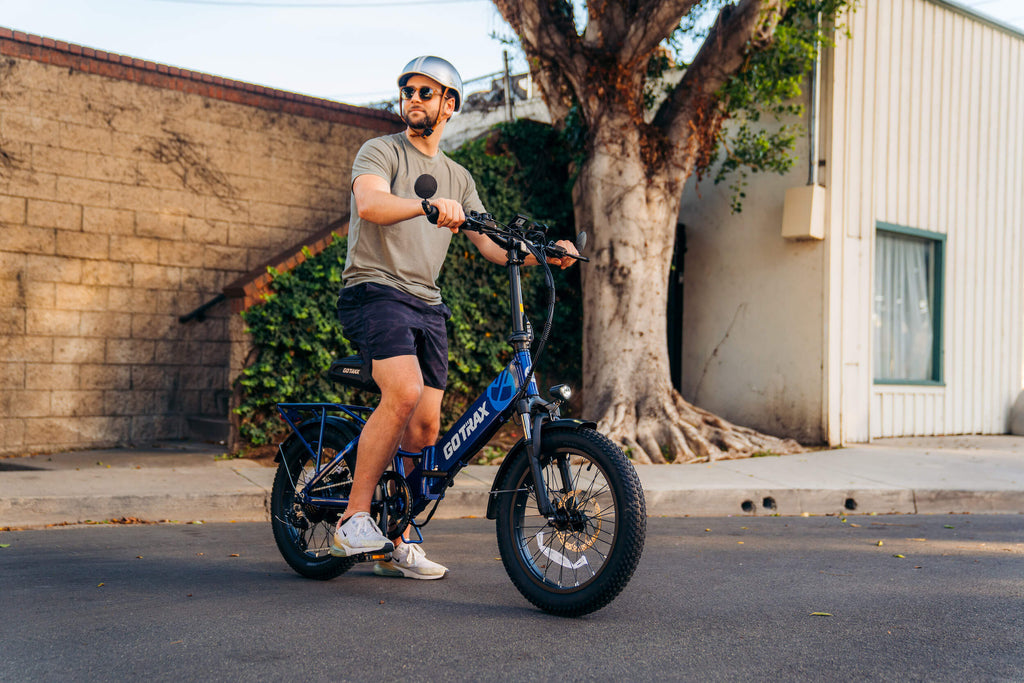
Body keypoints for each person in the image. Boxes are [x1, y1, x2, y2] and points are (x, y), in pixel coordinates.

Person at [330, 56, 578, 580]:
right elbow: (371, 204)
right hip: (374, 290)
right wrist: (423, 207)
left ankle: (396, 537)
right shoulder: (379, 151)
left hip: (426, 302)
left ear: (449, 104)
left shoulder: (458, 177)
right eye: (408, 90)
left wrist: (544, 252)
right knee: (402, 392)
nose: (413, 98)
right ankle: (352, 517)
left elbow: (490, 242)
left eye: (426, 91)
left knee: (425, 425)